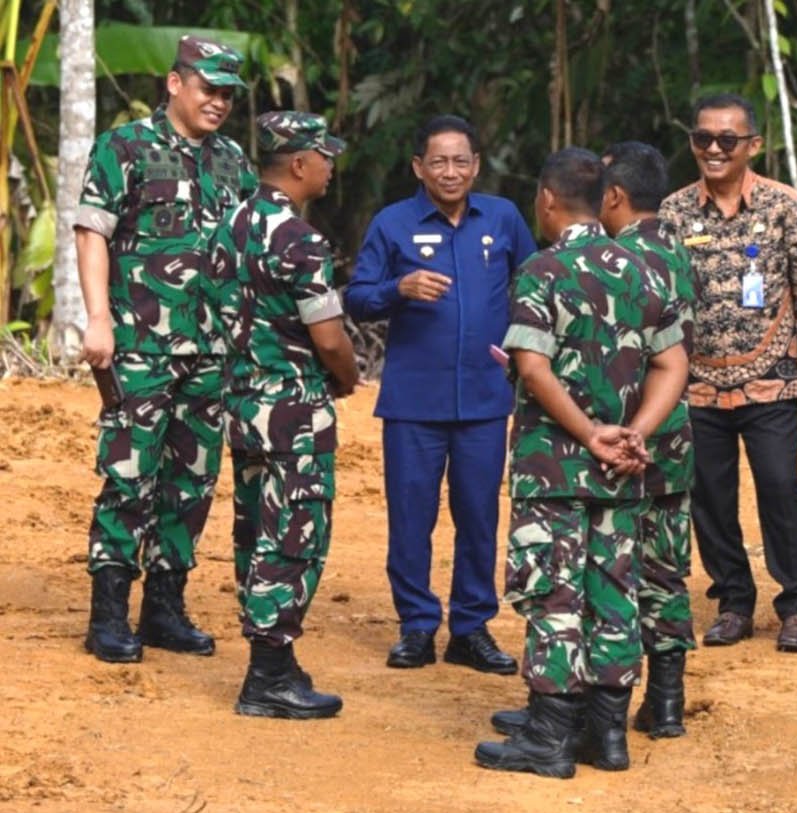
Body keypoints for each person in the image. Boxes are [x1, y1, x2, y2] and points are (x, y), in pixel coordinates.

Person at [474, 147, 688, 778]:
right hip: (623, 472)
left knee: (555, 596)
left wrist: (591, 434)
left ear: (546, 200)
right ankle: (608, 735)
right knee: (614, 593)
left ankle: (549, 738)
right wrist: (634, 435)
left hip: (555, 470)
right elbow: (673, 363)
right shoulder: (646, 271)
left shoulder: (542, 271)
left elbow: (533, 366)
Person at [75, 35, 257, 663]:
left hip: (213, 353)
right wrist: (97, 318)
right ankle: (108, 613)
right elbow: (92, 231)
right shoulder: (123, 148)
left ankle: (164, 608)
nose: (219, 102)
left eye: (228, 93)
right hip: (140, 347)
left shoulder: (235, 162)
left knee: (192, 481)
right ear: (175, 83)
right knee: (129, 475)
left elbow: (249, 250)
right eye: (209, 89)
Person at [345, 115, 536, 673]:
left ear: (476, 166)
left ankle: (472, 628)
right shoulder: (393, 223)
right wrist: (396, 289)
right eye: (438, 162)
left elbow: (533, 284)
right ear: (418, 168)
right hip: (413, 402)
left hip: (484, 399)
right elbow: (356, 298)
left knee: (478, 516)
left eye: (460, 161)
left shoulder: (501, 218)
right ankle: (417, 625)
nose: (450, 172)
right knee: (412, 517)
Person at [658, 93, 797, 653]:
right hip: (698, 384)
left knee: (780, 489)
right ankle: (733, 601)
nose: (713, 149)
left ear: (752, 145)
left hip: (772, 377)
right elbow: (659, 295)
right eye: (702, 138)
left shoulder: (783, 205)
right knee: (710, 495)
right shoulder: (673, 212)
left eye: (726, 140)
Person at [209, 112, 357, 718]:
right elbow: (327, 337)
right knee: (294, 534)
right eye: (325, 157)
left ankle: (274, 660)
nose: (330, 167)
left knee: (254, 528)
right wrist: (347, 378)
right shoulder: (297, 239)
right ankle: (268, 673)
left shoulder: (230, 224)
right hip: (293, 409)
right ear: (299, 164)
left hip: (242, 403)